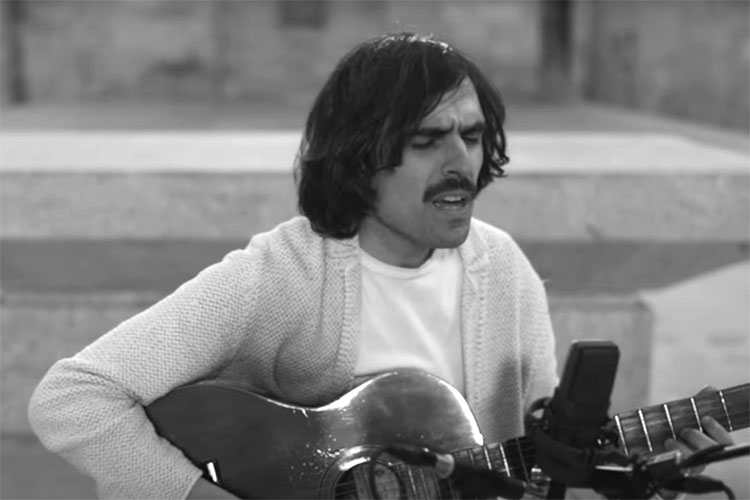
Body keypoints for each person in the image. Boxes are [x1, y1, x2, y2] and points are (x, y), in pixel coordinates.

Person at [28, 32, 732, 500]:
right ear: (361, 160)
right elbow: (72, 398)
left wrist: (635, 470)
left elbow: (544, 462)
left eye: (473, 136)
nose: (461, 162)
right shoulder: (282, 275)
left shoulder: (504, 272)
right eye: (428, 141)